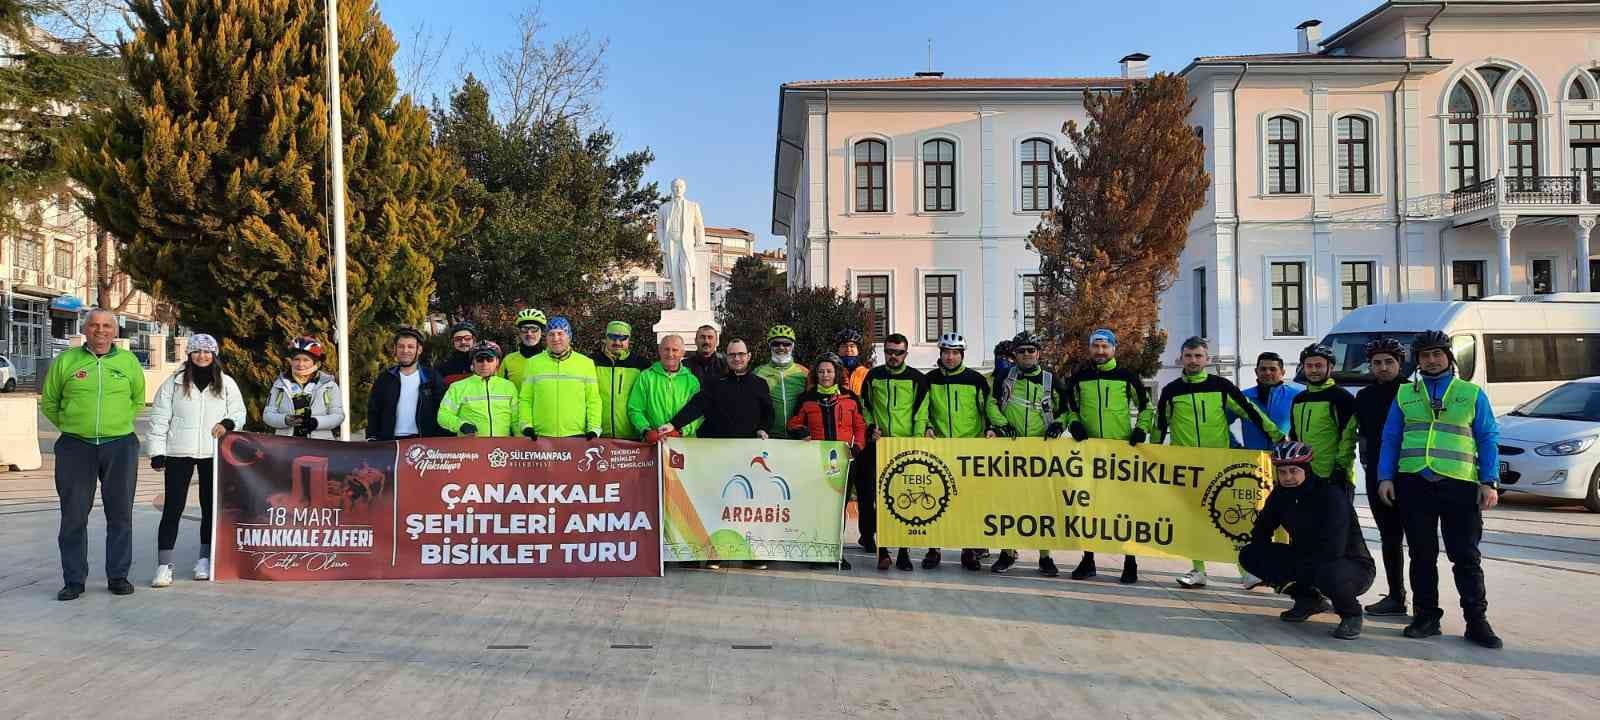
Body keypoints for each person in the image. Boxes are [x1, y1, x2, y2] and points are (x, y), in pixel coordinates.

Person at [1377, 330, 1503, 648]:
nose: (1431, 361)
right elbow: (1391, 438)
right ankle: (1426, 617)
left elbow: (1488, 438)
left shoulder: (1471, 393)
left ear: (1449, 357)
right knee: (1422, 555)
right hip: (1413, 483)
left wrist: (1488, 481)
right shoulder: (1405, 394)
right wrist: (1385, 477)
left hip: (1460, 484)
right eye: (1424, 356)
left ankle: (1477, 622)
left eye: (1437, 354)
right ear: (1417, 361)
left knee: (1466, 557)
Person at [1156, 336, 1282, 589]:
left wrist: (1276, 434)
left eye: (1198, 356)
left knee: (1230, 518)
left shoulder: (1221, 386)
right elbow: (1159, 424)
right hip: (1187, 465)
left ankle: (1245, 571)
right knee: (1193, 518)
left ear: (1207, 359)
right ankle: (1198, 570)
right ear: (1181, 358)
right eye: (1189, 356)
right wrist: (1149, 452)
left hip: (1220, 462)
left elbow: (1250, 410)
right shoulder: (1171, 390)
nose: (1193, 360)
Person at [43, 308, 146, 601]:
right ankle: (74, 580)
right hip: (76, 446)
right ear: (85, 329)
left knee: (120, 514)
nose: (100, 330)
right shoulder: (66, 360)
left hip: (120, 445)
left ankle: (118, 576)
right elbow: (50, 401)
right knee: (74, 515)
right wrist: (71, 424)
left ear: (115, 332)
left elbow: (137, 398)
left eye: (106, 326)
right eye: (94, 325)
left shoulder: (128, 362)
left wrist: (117, 423)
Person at [1239, 441, 1376, 640]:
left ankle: (1351, 614)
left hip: (1351, 566)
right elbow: (1261, 529)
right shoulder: (1280, 494)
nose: (1288, 478)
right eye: (1283, 472)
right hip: (1308, 559)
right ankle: (1309, 601)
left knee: (1326, 572)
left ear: (1306, 469)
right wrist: (1273, 568)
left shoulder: (1330, 495)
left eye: (1294, 471)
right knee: (1250, 554)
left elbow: (1334, 548)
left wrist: (1298, 572)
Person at [147, 333, 246, 588]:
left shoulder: (226, 384)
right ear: (189, 354)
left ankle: (204, 559)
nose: (202, 356)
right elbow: (159, 418)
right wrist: (157, 451)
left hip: (212, 453)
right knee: (173, 508)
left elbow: (238, 412)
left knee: (209, 508)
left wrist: (227, 423)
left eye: (207, 352)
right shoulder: (174, 383)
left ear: (214, 355)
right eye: (197, 351)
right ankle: (164, 565)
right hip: (179, 452)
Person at [1056, 328, 1151, 583]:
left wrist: (1141, 429)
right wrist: (1073, 423)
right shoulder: (1080, 377)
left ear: (1113, 349)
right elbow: (1070, 409)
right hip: (1088, 453)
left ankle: (1130, 562)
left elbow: (1146, 407)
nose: (1100, 351)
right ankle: (1088, 560)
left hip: (1120, 453)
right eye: (1095, 346)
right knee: (1088, 509)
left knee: (1124, 511)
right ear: (1089, 349)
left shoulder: (1127, 377)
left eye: (1104, 347)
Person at [923, 332, 1007, 571]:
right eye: (946, 352)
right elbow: (924, 410)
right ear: (940, 354)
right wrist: (928, 427)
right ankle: (933, 548)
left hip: (969, 448)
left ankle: (969, 549)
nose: (950, 357)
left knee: (969, 502)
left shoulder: (975, 380)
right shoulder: (930, 379)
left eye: (955, 353)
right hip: (939, 447)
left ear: (962, 355)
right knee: (936, 498)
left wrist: (992, 428)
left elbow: (987, 408)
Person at [988, 331, 1067, 576]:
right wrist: (1001, 423)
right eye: (1021, 351)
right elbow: (991, 404)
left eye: (1030, 350)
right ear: (1015, 355)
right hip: (1010, 449)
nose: (1026, 355)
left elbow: (1066, 408)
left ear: (1038, 353)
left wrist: (1059, 424)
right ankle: (1007, 553)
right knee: (1009, 503)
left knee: (1040, 505)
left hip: (1039, 451)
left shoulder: (1050, 379)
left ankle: (1045, 556)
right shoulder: (1004, 377)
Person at [787, 353, 869, 570]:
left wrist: (858, 447)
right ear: (816, 374)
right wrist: (800, 431)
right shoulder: (806, 399)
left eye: (829, 371)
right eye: (821, 371)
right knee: (817, 505)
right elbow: (793, 423)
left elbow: (860, 426)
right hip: (815, 461)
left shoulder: (850, 398)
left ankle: (835, 550)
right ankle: (815, 549)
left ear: (837, 374)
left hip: (843, 461)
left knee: (838, 506)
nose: (825, 375)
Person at [861, 333, 929, 571]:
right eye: (889, 351)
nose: (893, 356)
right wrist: (871, 428)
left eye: (898, 352)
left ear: (905, 354)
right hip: (880, 447)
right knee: (880, 500)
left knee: (906, 501)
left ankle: (903, 552)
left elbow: (921, 413)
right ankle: (883, 550)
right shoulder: (873, 376)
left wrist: (916, 442)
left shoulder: (918, 379)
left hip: (905, 448)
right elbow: (865, 406)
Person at [1357, 336, 1410, 617]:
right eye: (1377, 363)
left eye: (1389, 362)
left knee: (1418, 542)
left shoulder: (1414, 392)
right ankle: (1396, 596)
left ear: (1399, 363)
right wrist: (1370, 468)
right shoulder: (1364, 396)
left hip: (1412, 476)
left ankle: (1425, 602)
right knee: (1389, 538)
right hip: (1378, 477)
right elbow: (1363, 436)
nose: (1383, 367)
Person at [664, 338, 773, 439]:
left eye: (741, 354)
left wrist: (763, 428)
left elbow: (768, 413)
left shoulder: (760, 384)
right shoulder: (715, 383)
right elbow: (696, 405)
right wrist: (673, 424)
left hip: (748, 447)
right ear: (727, 357)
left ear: (748, 356)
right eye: (732, 355)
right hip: (717, 446)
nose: (737, 358)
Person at [1289, 343, 1359, 497]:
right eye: (1309, 366)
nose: (1313, 370)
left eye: (1319, 365)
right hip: (1305, 473)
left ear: (1331, 367)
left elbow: (1348, 437)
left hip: (1333, 475)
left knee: (1338, 521)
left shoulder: (1341, 397)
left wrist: (1340, 468)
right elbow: (1294, 435)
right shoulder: (1299, 399)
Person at [518, 316, 602, 439]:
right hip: (540, 435)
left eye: (560, 334)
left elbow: (593, 399)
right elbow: (525, 398)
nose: (556, 338)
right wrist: (526, 425)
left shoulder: (585, 363)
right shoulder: (533, 363)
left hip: (576, 435)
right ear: (546, 338)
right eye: (551, 334)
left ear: (569, 336)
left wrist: (594, 428)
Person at [367, 325, 446, 440]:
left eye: (410, 347)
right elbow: (374, 410)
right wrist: (372, 436)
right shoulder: (385, 378)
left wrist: (440, 439)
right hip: (390, 441)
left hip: (423, 441)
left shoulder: (432, 378)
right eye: (401, 346)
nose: (405, 350)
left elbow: (442, 410)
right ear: (395, 349)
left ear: (419, 350)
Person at [264, 336, 345, 440]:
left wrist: (316, 422)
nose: (301, 364)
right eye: (296, 359)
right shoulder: (280, 384)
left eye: (306, 360)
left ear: (315, 362)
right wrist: (285, 420)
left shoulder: (328, 385)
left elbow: (338, 416)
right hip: (286, 444)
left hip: (320, 445)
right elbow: (268, 415)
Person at [438, 341, 521, 437]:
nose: (484, 364)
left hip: (501, 449)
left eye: (489, 359)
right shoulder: (458, 387)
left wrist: (523, 443)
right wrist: (460, 425)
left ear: (497, 362)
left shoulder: (509, 386)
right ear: (473, 362)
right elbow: (443, 415)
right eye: (480, 359)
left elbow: (516, 421)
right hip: (471, 449)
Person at [628, 334, 702, 439]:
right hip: (653, 442)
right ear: (659, 350)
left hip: (684, 442)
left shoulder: (691, 381)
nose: (670, 354)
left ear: (682, 353)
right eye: (666, 349)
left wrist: (681, 431)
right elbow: (635, 409)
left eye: (675, 350)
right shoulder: (646, 377)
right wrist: (645, 430)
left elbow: (698, 413)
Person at [595, 320, 651, 439]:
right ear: (605, 338)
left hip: (633, 435)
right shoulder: (592, 362)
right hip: (599, 435)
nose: (617, 342)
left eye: (622, 338)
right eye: (612, 337)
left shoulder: (641, 364)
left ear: (628, 340)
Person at [1237, 352, 1302, 451]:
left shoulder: (1297, 396)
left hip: (1286, 459)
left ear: (1282, 372)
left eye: (1273, 369)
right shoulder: (1243, 397)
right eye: (1263, 369)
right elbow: (1221, 422)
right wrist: (1235, 446)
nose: (1267, 373)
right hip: (1253, 460)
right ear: (1256, 371)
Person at [754, 325, 809, 438]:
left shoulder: (804, 372)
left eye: (786, 344)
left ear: (792, 346)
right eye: (776, 343)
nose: (781, 347)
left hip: (798, 436)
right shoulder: (758, 372)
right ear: (770, 346)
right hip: (768, 436)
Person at [499, 309, 547, 389]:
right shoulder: (508, 360)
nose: (529, 333)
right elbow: (499, 389)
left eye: (533, 329)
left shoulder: (551, 359)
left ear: (541, 332)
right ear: (519, 332)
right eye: (524, 329)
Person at [835, 328, 870, 395]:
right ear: (838, 350)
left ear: (858, 350)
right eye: (844, 346)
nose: (848, 349)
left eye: (852, 346)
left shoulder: (867, 374)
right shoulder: (831, 372)